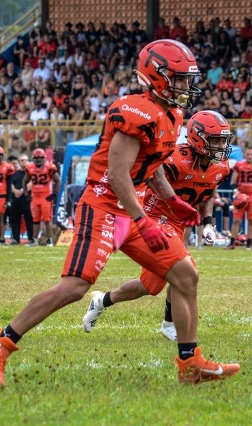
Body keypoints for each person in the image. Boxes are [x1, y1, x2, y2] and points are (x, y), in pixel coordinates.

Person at [0, 39, 239, 388]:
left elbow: (154, 164)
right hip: (103, 207)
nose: (185, 86)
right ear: (156, 76)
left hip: (129, 212)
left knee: (186, 276)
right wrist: (144, 220)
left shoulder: (172, 115)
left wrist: (169, 198)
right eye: (178, 78)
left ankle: (191, 363)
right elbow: (117, 174)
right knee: (73, 287)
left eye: (186, 79)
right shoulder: (137, 111)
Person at [82, 110, 233, 342]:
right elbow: (152, 174)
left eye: (224, 140)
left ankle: (101, 300)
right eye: (216, 140)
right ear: (197, 137)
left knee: (148, 287)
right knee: (185, 270)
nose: (221, 146)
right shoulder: (175, 158)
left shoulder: (220, 167)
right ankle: (169, 324)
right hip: (152, 215)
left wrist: (209, 223)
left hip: (175, 222)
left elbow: (208, 193)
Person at [225, 148, 252, 250]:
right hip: (241, 195)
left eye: (251, 154)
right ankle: (232, 243)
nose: (249, 156)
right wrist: (236, 191)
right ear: (244, 154)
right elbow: (233, 181)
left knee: (251, 220)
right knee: (236, 220)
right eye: (248, 154)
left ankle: (249, 243)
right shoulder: (239, 165)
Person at [23, 148, 61, 247]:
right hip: (35, 197)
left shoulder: (49, 167)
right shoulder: (30, 168)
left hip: (45, 196)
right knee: (36, 220)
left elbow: (58, 180)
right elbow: (24, 182)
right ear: (33, 158)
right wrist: (27, 194)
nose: (38, 160)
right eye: (36, 158)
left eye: (40, 158)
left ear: (44, 158)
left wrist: (55, 193)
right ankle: (34, 240)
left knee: (47, 220)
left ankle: (49, 240)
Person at [9, 154, 35, 245]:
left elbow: (32, 182)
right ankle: (15, 238)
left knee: (29, 219)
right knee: (15, 219)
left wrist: (22, 191)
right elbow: (10, 183)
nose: (24, 162)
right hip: (15, 199)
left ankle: (31, 238)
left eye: (26, 160)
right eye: (22, 160)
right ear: (19, 162)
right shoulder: (14, 173)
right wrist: (15, 191)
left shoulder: (31, 172)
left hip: (26, 199)